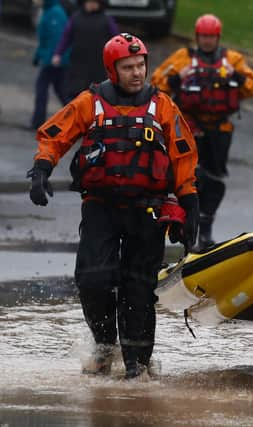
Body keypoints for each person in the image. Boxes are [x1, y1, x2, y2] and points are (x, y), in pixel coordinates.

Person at [27, 33, 199, 379]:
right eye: (128, 67)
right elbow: (55, 134)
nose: (137, 73)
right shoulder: (90, 102)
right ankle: (105, 347)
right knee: (92, 279)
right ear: (112, 69)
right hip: (101, 206)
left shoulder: (162, 105)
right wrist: (42, 168)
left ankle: (138, 365)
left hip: (147, 211)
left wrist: (189, 206)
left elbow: (183, 154)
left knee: (138, 287)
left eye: (141, 65)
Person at [151, 13, 253, 248]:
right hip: (190, 126)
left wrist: (238, 78)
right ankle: (186, 224)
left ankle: (206, 225)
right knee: (188, 176)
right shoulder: (183, 58)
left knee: (215, 179)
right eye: (204, 36)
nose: (208, 41)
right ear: (197, 36)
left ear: (218, 37)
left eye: (212, 37)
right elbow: (157, 82)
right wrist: (176, 80)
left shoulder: (232, 60)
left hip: (220, 128)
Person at [52, 0, 119, 102]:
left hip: (98, 65)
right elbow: (66, 37)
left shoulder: (106, 19)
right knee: (76, 94)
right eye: (89, 2)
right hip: (78, 63)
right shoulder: (75, 18)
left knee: (98, 95)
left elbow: (116, 39)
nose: (91, 5)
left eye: (94, 2)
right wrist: (58, 53)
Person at [30, 0, 70, 129]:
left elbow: (56, 39)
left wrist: (50, 59)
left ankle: (38, 121)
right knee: (61, 90)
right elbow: (44, 40)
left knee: (42, 89)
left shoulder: (54, 13)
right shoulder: (48, 11)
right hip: (52, 59)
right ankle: (79, 117)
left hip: (54, 61)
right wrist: (37, 56)